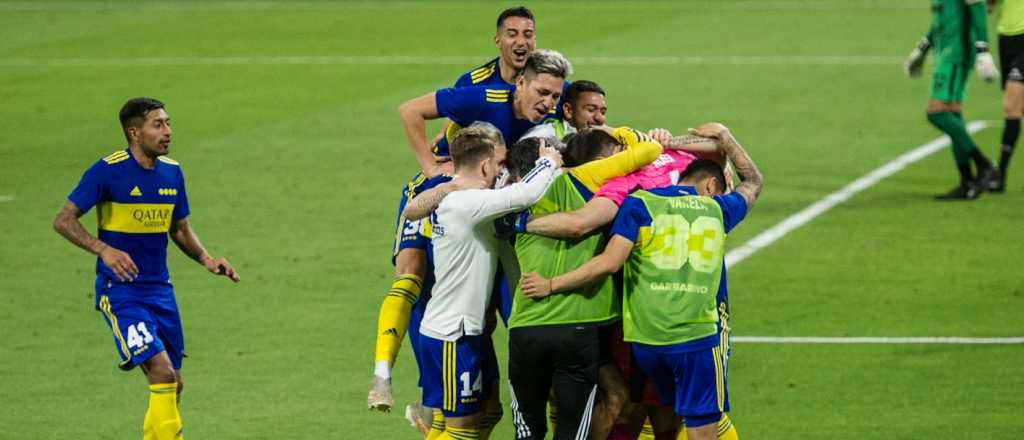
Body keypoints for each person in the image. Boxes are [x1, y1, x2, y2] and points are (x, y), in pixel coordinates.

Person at [520, 123, 762, 440]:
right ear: (710, 186)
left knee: (635, 409)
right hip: (698, 336)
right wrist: (720, 136)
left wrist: (547, 274)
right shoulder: (717, 207)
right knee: (697, 420)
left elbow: (605, 258)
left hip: (646, 339)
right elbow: (750, 179)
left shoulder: (637, 201)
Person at [368, 47, 570, 419]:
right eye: (543, 93)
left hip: (483, 202)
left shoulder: (556, 103)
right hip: (454, 191)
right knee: (411, 274)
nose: (549, 102)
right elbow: (410, 110)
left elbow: (592, 119)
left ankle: (473, 398)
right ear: (520, 83)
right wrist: (433, 172)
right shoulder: (479, 96)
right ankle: (383, 375)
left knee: (491, 298)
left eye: (554, 96)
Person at [52, 97, 239, 440]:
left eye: (168, 123)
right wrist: (103, 249)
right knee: (162, 373)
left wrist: (207, 259)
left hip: (160, 290)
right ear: (134, 133)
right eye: (158, 124)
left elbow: (178, 228)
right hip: (121, 292)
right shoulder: (107, 171)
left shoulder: (172, 172)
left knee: (174, 383)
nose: (167, 131)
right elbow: (63, 220)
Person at [419, 123, 562, 440]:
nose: (500, 172)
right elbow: (525, 194)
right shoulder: (469, 203)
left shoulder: (458, 197)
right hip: (453, 333)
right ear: (484, 165)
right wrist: (549, 160)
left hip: (462, 329)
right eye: (498, 165)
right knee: (462, 430)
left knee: (486, 413)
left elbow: (416, 208)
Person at [905, 0, 1002, 199]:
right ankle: (966, 182)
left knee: (936, 114)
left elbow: (978, 8)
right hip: (945, 53)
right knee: (953, 115)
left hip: (955, 54)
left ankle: (985, 165)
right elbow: (941, 18)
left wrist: (983, 51)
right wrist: (923, 48)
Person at [993, 0, 1024, 191]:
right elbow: (990, 6)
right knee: (1018, 106)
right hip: (1005, 38)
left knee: (1011, 107)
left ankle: (1000, 174)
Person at [520, 79, 608, 141]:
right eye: (591, 110)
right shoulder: (540, 138)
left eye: (603, 112)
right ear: (568, 110)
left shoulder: (606, 142)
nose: (599, 118)